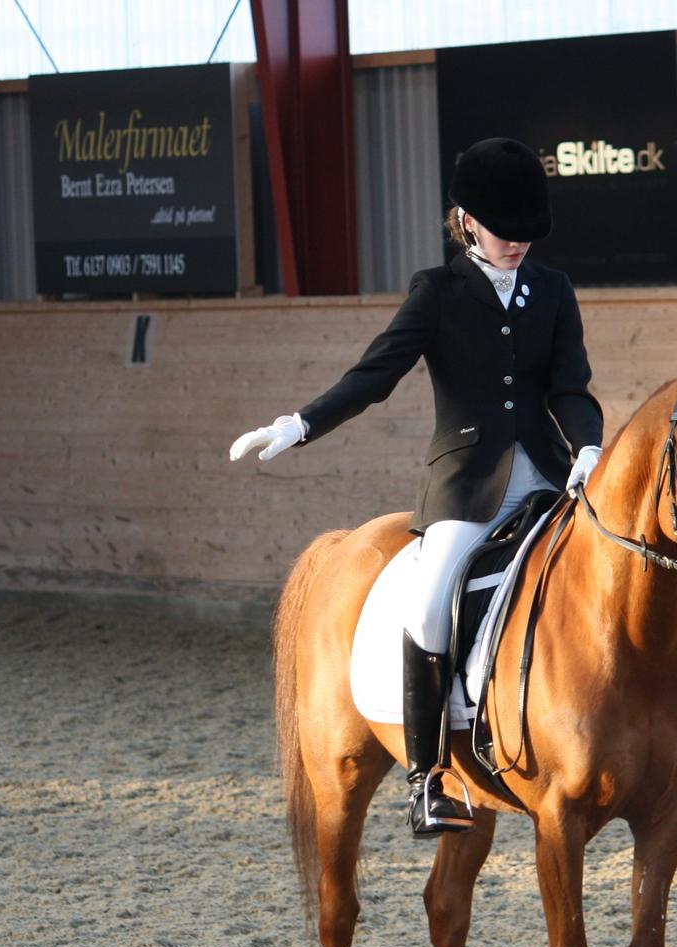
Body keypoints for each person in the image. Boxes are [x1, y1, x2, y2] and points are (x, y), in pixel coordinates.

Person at [230, 137, 603, 839]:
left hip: (550, 474)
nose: (518, 242)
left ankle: (675, 745)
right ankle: (428, 775)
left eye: (527, 232)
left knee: (635, 562)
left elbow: (569, 388)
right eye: (503, 230)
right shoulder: (437, 292)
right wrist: (299, 424)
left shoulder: (552, 290)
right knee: (429, 605)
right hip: (465, 484)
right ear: (466, 222)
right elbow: (374, 376)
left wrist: (588, 447)